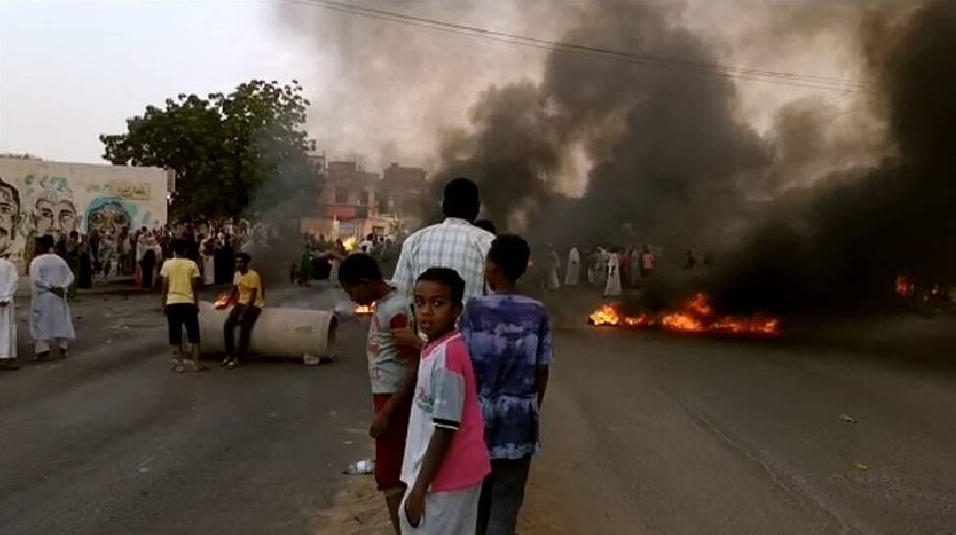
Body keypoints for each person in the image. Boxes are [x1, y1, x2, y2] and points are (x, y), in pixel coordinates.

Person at [459, 235, 553, 535]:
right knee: (507, 501)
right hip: (519, 420)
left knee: (477, 500)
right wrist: (530, 408)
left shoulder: (474, 309)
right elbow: (542, 369)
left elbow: (462, 364)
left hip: (478, 418)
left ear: (493, 268)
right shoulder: (538, 313)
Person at [399, 268, 490, 534]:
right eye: (420, 302)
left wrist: (418, 491)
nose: (426, 311)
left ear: (455, 310)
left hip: (447, 477)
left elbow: (445, 429)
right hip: (439, 475)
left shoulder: (449, 356)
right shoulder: (434, 348)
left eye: (437, 304)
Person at [339, 254, 418, 534]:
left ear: (364, 283)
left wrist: (386, 412)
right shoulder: (390, 300)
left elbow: (414, 365)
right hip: (388, 397)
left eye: (351, 291)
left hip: (395, 400)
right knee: (393, 472)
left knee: (389, 475)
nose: (351, 298)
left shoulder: (394, 311)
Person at [394, 177, 495, 304]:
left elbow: (401, 296)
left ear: (443, 206)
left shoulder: (414, 241)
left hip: (424, 323)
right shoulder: (488, 243)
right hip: (472, 324)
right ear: (477, 207)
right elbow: (495, 300)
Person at [160, 238, 206, 373]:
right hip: (188, 302)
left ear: (173, 250)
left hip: (172, 302)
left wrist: (163, 303)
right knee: (194, 335)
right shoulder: (192, 265)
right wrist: (196, 302)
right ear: (186, 250)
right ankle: (196, 364)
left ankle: (180, 364)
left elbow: (164, 286)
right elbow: (195, 286)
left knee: (176, 334)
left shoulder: (167, 265)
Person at [29, 235, 75, 359]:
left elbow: (36, 280)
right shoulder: (59, 260)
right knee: (61, 321)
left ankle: (43, 349)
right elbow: (70, 275)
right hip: (59, 295)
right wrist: (63, 287)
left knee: (41, 322)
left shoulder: (37, 261)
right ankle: (63, 348)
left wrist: (51, 287)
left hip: (44, 295)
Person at [221, 252, 264, 369]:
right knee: (228, 324)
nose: (238, 264)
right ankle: (229, 354)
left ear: (246, 263)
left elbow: (253, 297)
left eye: (240, 262)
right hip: (241, 302)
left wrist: (244, 312)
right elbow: (235, 291)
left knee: (245, 325)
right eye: (236, 262)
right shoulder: (237, 275)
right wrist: (226, 303)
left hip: (254, 305)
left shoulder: (253, 275)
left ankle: (239, 357)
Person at [0, 254, 19, 370]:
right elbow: (14, 282)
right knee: (8, 329)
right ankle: (10, 358)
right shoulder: (9, 265)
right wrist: (5, 297)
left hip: (5, 301)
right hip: (6, 303)